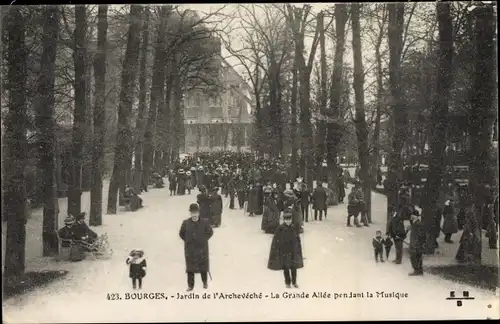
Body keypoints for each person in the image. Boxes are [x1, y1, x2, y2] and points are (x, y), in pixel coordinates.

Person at [179, 203, 214, 291]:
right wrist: (188, 241)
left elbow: (210, 232)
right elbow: (181, 234)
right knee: (190, 268)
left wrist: (203, 240)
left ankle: (204, 282)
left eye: (196, 213)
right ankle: (190, 286)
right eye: (192, 213)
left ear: (199, 213)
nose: (194, 215)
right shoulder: (186, 223)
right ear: (190, 213)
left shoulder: (205, 222)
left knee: (203, 266)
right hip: (190, 249)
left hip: (202, 248)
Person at [267, 208, 304, 288]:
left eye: (289, 220)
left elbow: (297, 240)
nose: (288, 221)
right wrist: (277, 250)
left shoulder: (294, 228)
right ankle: (287, 282)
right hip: (284, 252)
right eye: (286, 220)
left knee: (294, 268)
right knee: (286, 268)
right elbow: (276, 240)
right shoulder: (280, 229)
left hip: (293, 251)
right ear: (284, 220)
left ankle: (294, 282)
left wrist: (297, 250)